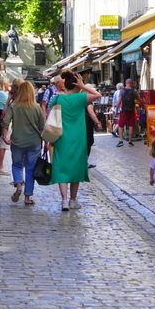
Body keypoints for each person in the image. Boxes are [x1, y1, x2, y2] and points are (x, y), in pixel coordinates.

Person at [49, 70, 101, 211]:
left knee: (61, 167)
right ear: (77, 85)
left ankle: (64, 200)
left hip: (61, 137)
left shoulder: (57, 98)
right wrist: (83, 86)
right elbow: (98, 95)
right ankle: (73, 200)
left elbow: (50, 112)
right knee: (76, 168)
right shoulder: (81, 97)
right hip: (78, 138)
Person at [2, 80, 44, 206]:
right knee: (30, 169)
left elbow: (5, 121)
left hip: (17, 141)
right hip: (34, 142)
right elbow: (42, 126)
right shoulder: (36, 107)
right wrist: (47, 142)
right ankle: (27, 198)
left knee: (17, 165)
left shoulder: (14, 106)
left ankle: (19, 185)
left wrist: (4, 136)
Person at [116, 79, 143, 147]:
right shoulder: (134, 91)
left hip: (124, 111)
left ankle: (121, 140)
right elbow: (140, 100)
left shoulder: (122, 91)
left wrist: (116, 110)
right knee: (131, 126)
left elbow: (119, 101)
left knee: (121, 125)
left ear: (126, 83)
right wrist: (144, 105)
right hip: (132, 111)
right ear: (131, 84)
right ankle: (130, 141)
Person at [0, 76, 11, 174]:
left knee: (3, 143)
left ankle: (0, 165)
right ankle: (0, 166)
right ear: (4, 84)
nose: (9, 85)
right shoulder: (3, 94)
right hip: (4, 120)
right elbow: (9, 107)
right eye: (8, 83)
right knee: (4, 143)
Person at [85, 94, 102, 168]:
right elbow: (91, 113)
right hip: (87, 123)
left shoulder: (81, 100)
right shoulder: (89, 101)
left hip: (80, 123)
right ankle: (85, 162)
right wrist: (97, 123)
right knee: (89, 142)